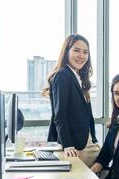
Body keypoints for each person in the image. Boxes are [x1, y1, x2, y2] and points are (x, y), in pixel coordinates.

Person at [42, 34, 100, 167]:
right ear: (66, 51)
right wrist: (68, 145)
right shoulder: (63, 75)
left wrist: (94, 138)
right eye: (76, 50)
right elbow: (60, 114)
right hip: (75, 147)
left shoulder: (77, 77)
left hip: (84, 142)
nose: (82, 56)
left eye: (85, 52)